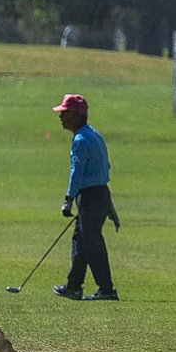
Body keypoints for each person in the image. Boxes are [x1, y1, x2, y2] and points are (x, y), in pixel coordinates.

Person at [52, 93, 120, 301]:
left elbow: (77, 172)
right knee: (81, 240)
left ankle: (106, 289)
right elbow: (105, 167)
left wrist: (68, 199)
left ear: (76, 115)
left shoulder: (81, 140)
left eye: (65, 113)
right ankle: (73, 286)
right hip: (100, 194)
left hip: (89, 196)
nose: (61, 118)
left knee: (91, 244)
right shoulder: (93, 134)